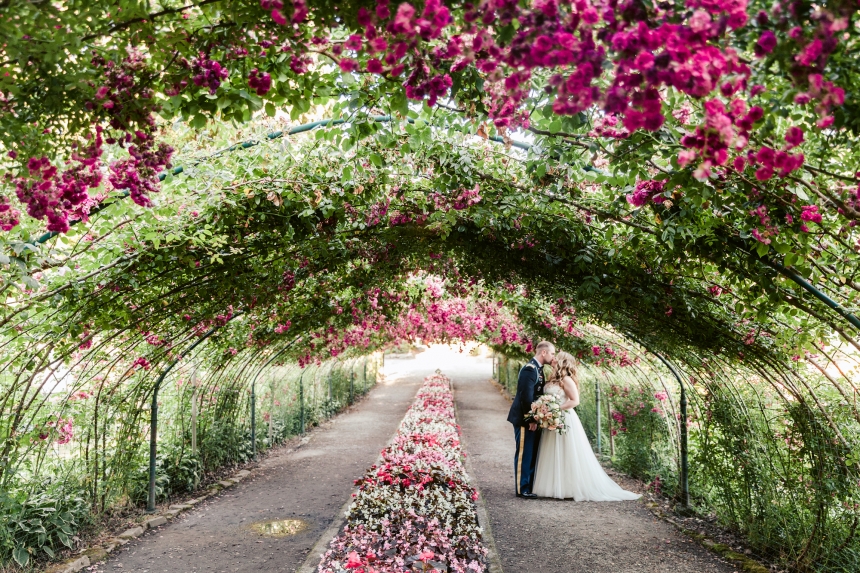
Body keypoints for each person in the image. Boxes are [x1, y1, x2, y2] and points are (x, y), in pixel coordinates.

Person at [532, 351, 641, 501]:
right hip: (552, 419)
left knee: (566, 451)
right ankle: (554, 486)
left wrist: (555, 409)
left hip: (564, 418)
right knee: (552, 450)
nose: (554, 358)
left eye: (557, 356)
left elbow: (574, 401)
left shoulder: (567, 379)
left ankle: (569, 488)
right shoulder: (551, 378)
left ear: (563, 361)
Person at [507, 341, 556, 498]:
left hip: (533, 418)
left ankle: (529, 486)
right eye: (552, 353)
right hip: (524, 420)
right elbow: (526, 398)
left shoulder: (538, 369)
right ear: (543, 353)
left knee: (532, 452)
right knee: (524, 453)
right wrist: (532, 420)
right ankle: (522, 489)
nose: (553, 357)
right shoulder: (530, 369)